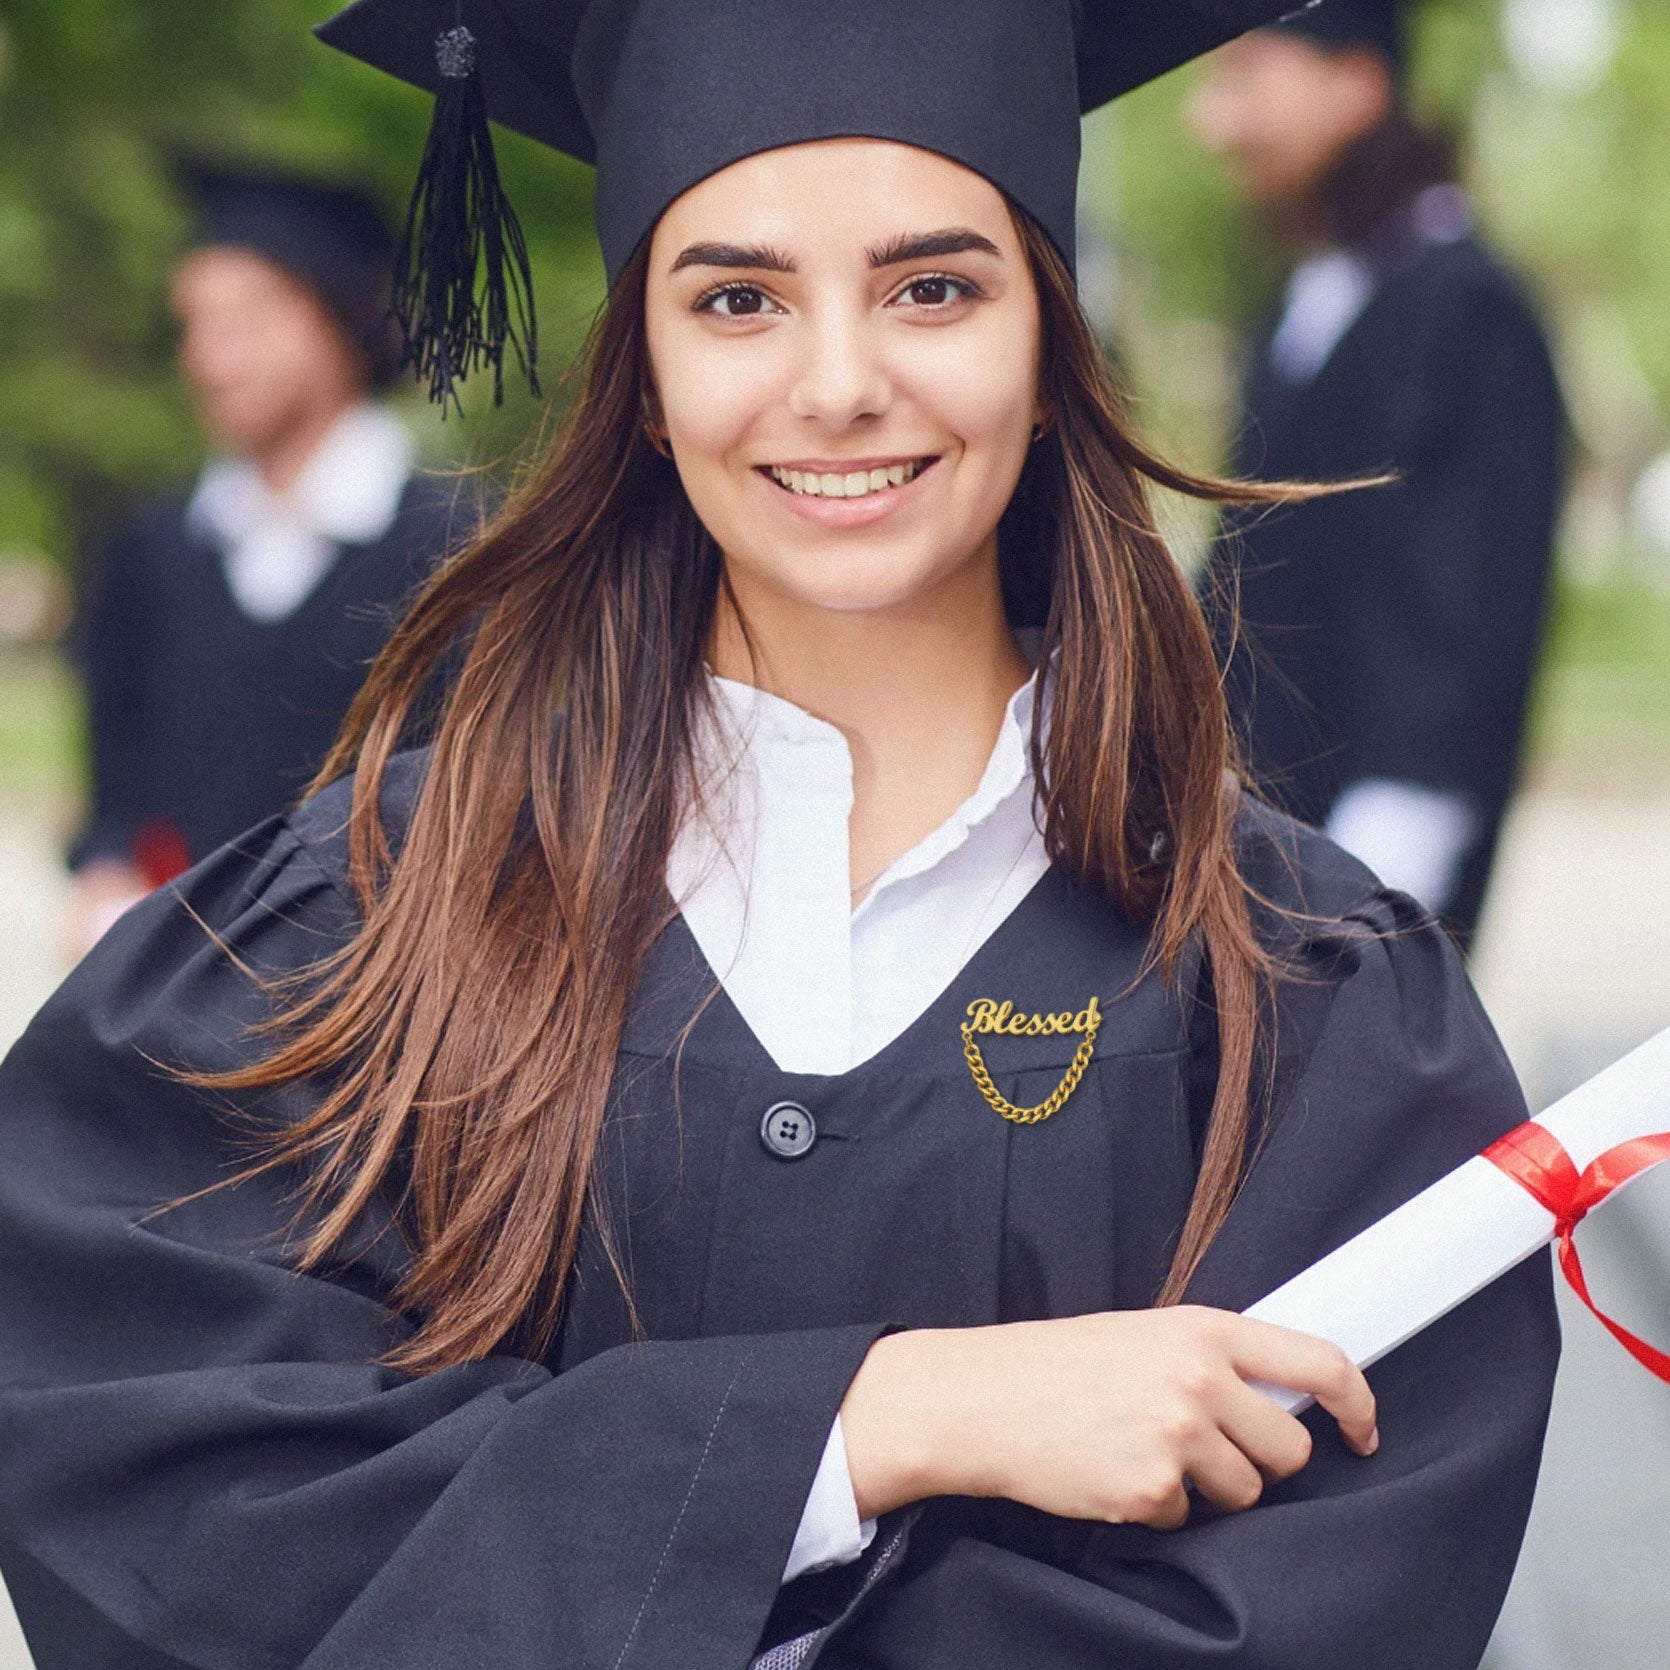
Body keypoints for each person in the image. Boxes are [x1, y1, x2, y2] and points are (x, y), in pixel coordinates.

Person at [0, 3, 1557, 1667]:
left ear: (1047, 347)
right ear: (652, 383)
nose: (837, 384)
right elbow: (185, 1519)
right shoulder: (363, 927)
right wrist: (875, 1419)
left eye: (933, 287)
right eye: (738, 299)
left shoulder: (1303, 1001)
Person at [1188, 0, 1566, 943]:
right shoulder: (1306, 298)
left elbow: (1461, 622)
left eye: (1247, 76)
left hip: (1356, 890)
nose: (1214, 122)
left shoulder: (1467, 315)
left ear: (1355, 83)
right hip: (1249, 860)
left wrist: (1365, 915)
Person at [67, 163, 474, 956]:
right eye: (195, 324)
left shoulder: (457, 554)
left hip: (375, 996)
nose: (211, 359)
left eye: (248, 320)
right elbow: (116, 789)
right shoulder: (154, 550)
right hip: (169, 989)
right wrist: (107, 876)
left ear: (339, 318)